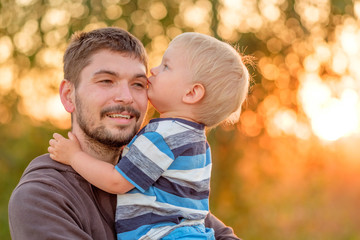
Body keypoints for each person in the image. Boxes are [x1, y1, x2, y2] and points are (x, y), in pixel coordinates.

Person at [8, 27, 242, 240]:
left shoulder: (164, 181)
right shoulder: (42, 197)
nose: (126, 97)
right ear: (69, 95)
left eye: (139, 84)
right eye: (106, 81)